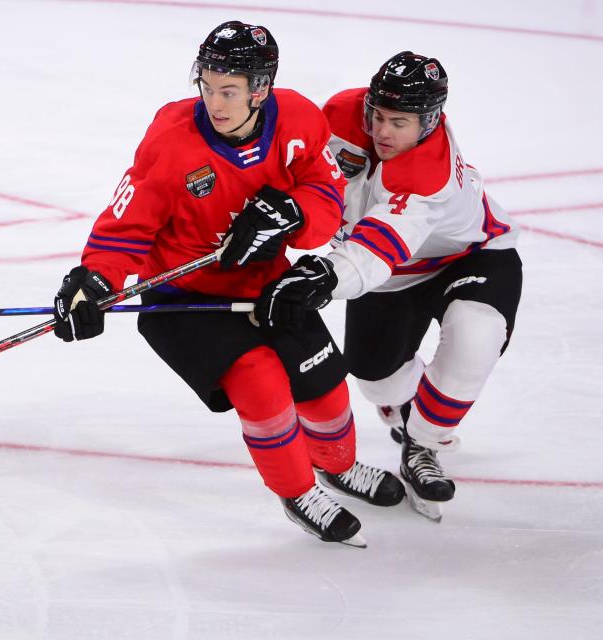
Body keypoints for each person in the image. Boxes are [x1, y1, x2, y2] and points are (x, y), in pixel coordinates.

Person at [52, 21, 403, 547]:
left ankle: (339, 466)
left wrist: (292, 212)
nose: (215, 102)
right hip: (184, 300)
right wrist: (93, 279)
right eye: (209, 86)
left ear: (260, 90)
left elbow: (326, 196)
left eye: (230, 91)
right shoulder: (172, 141)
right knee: (260, 381)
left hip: (267, 285)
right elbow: (127, 225)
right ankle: (298, 491)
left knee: (324, 385)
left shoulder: (300, 119)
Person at [256, 51, 522, 521]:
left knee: (475, 335)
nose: (381, 131)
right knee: (375, 379)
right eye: (377, 115)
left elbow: (380, 244)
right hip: (391, 278)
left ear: (431, 120)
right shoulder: (340, 113)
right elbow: (294, 167)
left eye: (398, 122)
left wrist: (326, 276)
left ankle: (422, 445)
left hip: (471, 257)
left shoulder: (429, 174)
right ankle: (406, 409)